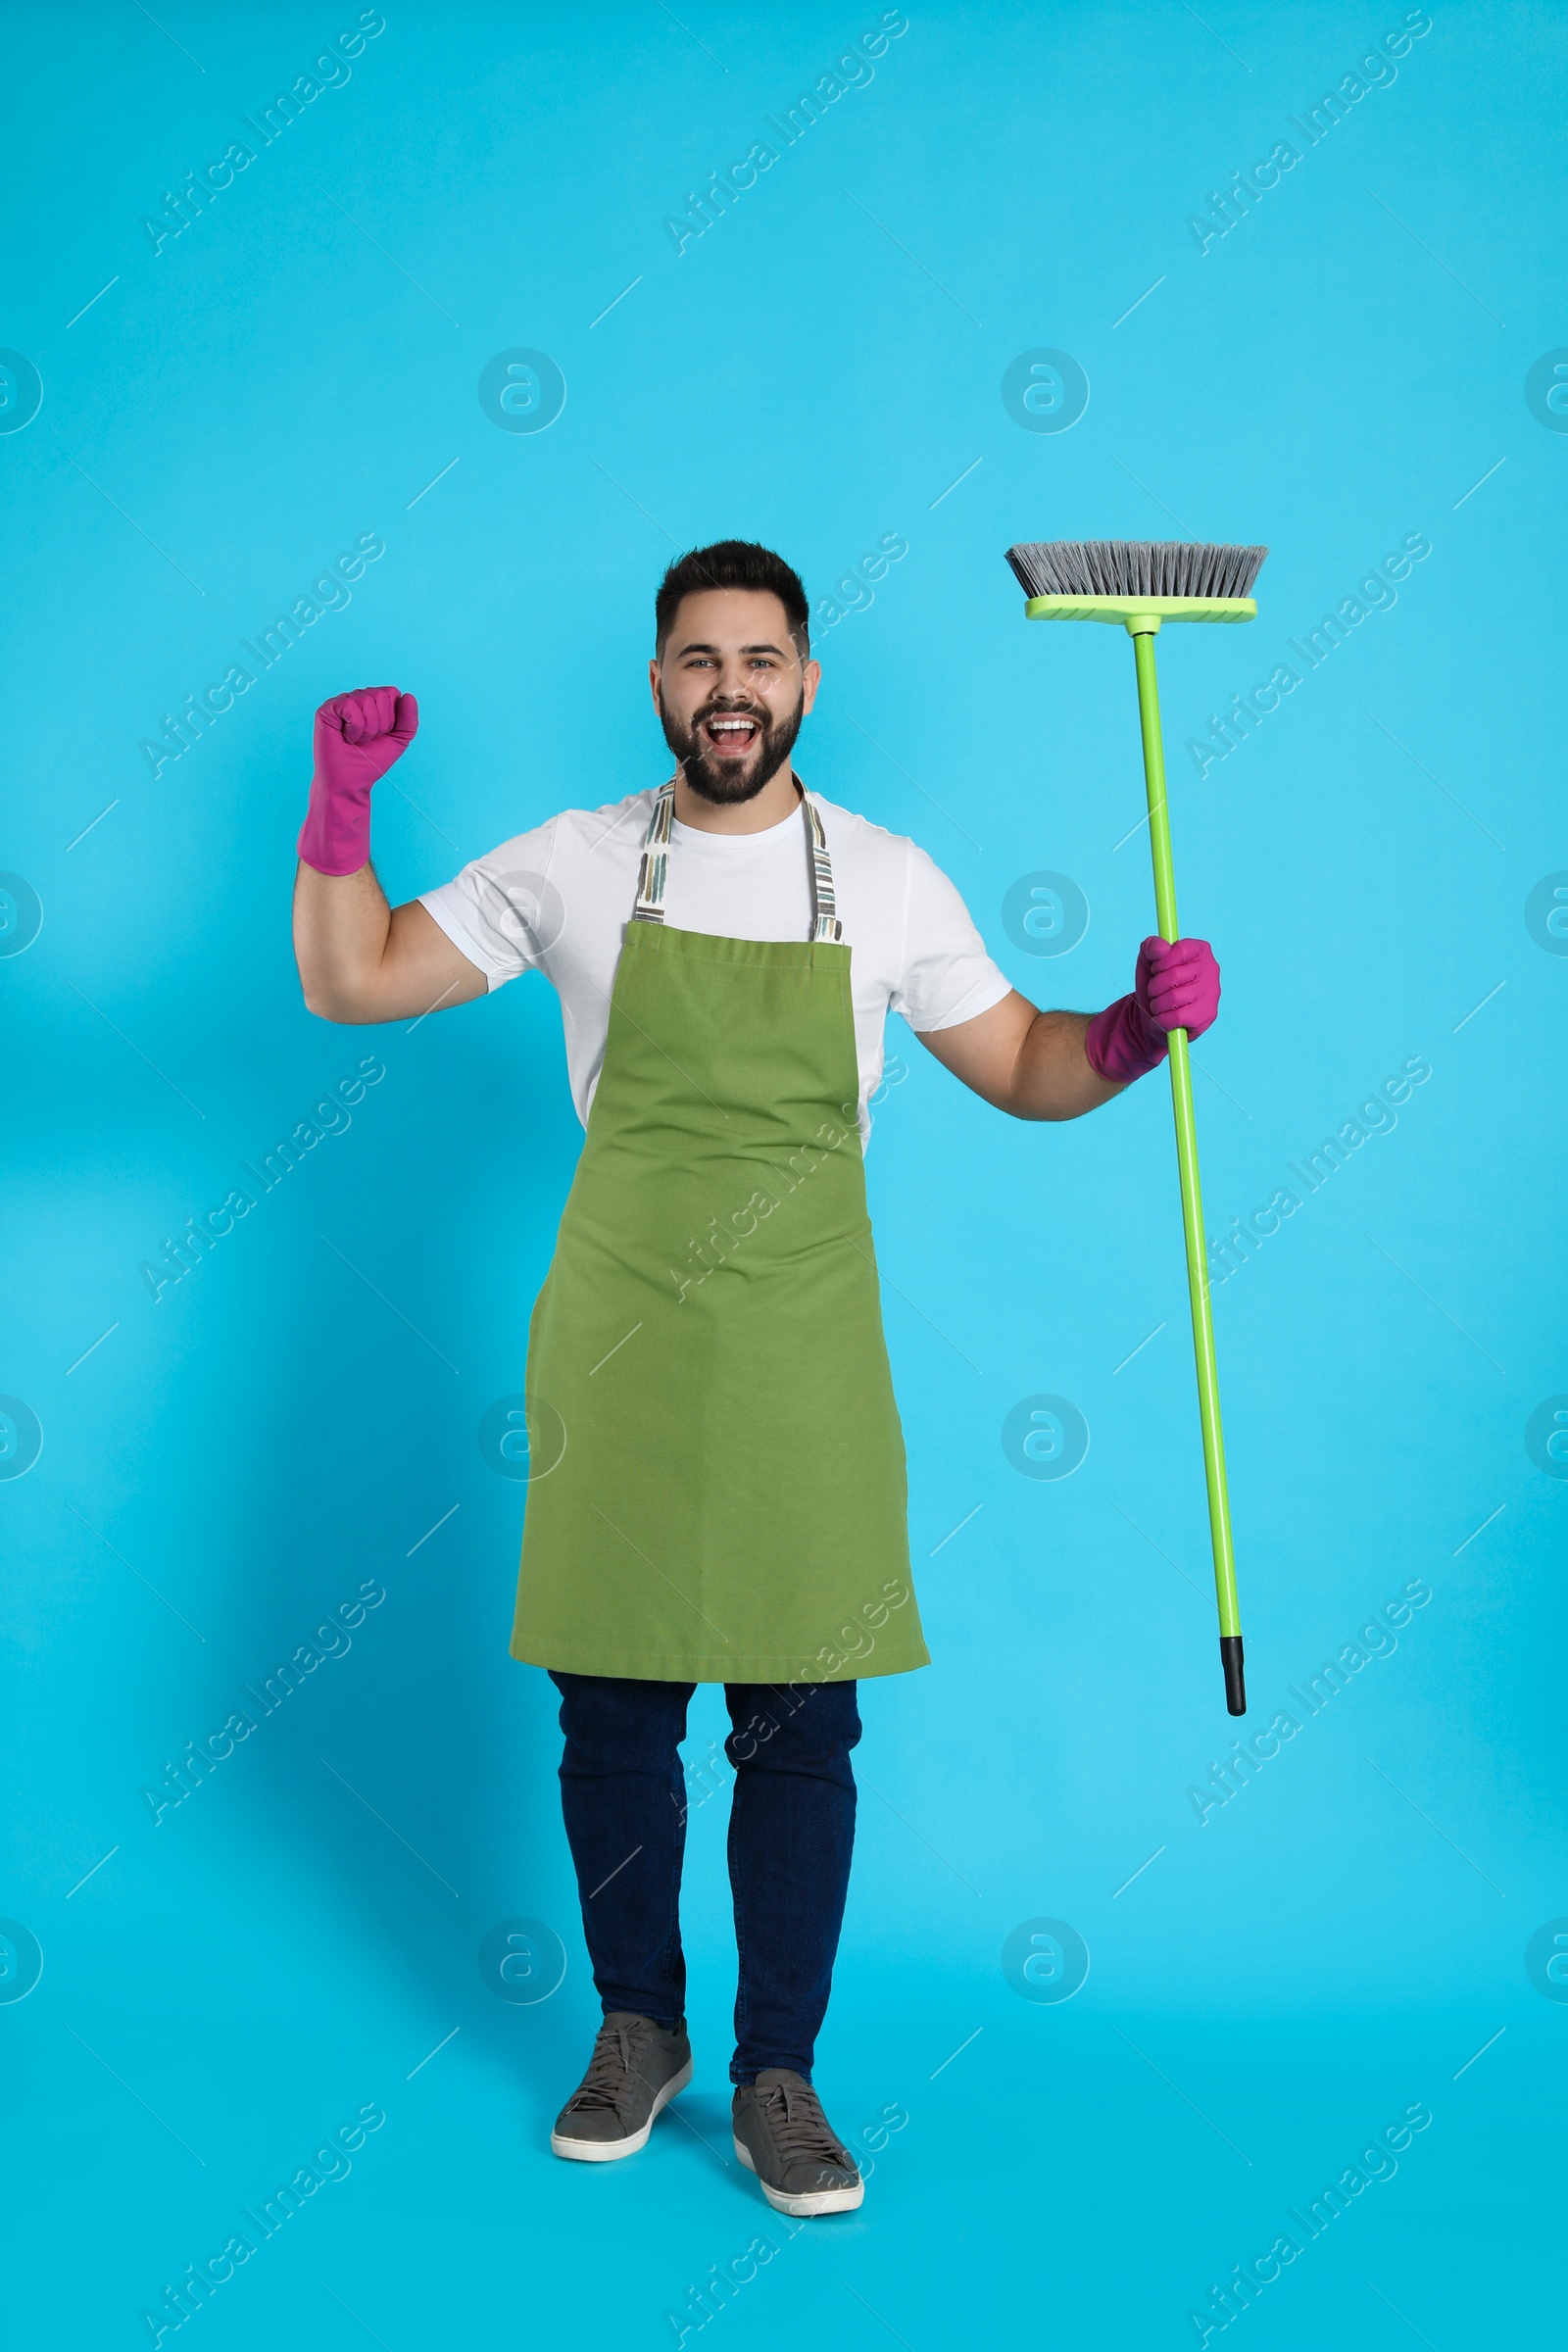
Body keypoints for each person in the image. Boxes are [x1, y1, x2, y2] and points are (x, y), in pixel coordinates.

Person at [290, 539, 1219, 2218]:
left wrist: (1129, 1034)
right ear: (660, 683)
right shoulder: (575, 864)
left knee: (804, 1726)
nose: (732, 687)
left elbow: (1018, 1061)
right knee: (613, 1713)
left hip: (803, 1356)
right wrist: (340, 812)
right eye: (701, 659)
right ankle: (635, 2028)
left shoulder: (885, 875)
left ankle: (778, 2071)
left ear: (806, 680)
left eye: (762, 658)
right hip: (621, 1347)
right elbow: (351, 981)